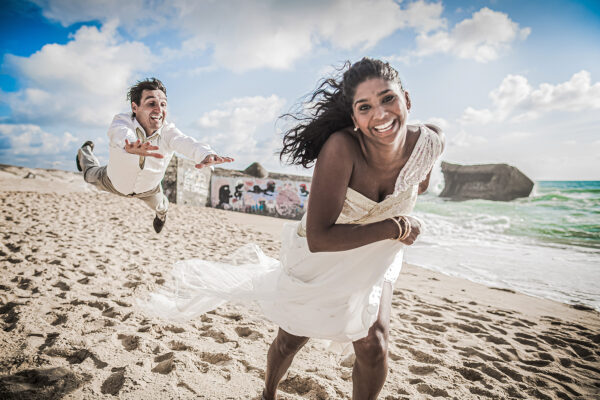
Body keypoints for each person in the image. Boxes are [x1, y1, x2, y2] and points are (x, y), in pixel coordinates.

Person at [141, 58, 444, 399]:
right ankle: (268, 392)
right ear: (354, 117)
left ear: (407, 98)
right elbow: (319, 238)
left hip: (377, 256)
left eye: (388, 99)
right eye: (365, 106)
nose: (380, 114)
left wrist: (394, 221)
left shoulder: (430, 143)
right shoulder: (341, 149)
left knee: (374, 345)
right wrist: (395, 225)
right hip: (324, 255)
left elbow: (417, 183)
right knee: (291, 338)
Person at [76, 78, 233, 233]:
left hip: (149, 190)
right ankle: (84, 151)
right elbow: (118, 132)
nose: (159, 110)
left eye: (163, 104)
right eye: (151, 103)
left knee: (162, 206)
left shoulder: (168, 131)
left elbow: (184, 141)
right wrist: (131, 143)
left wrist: (205, 154)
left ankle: (161, 216)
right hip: (111, 181)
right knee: (89, 174)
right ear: (135, 107)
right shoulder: (122, 121)